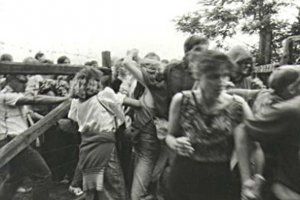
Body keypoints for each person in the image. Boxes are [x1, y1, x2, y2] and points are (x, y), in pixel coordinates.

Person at [165, 50, 252, 200]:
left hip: (220, 178)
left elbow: (245, 146)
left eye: (225, 75)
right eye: (213, 77)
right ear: (198, 75)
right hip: (185, 174)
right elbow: (169, 136)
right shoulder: (182, 100)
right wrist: (175, 143)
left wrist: (247, 182)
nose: (221, 82)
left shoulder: (237, 105)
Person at [68, 66, 140, 200]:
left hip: (87, 145)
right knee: (114, 184)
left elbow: (73, 119)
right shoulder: (104, 94)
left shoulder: (75, 102)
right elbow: (128, 102)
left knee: (94, 183)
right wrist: (144, 104)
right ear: (95, 81)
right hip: (105, 144)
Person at [0, 73, 68, 200]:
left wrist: (52, 121)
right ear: (10, 79)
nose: (24, 84)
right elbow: (34, 100)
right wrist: (64, 100)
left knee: (15, 177)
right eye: (21, 80)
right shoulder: (4, 95)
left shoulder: (14, 95)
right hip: (14, 140)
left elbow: (29, 112)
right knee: (43, 175)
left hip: (19, 139)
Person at [240, 66, 300, 200]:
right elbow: (243, 131)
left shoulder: (267, 95)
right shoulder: (286, 110)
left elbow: (247, 93)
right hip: (276, 173)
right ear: (291, 89)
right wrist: (247, 179)